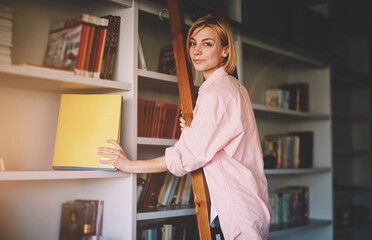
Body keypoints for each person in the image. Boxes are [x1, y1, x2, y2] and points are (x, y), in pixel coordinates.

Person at [98, 15, 271, 240]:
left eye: (207, 44)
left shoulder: (217, 93)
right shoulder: (233, 87)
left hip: (236, 210)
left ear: (225, 51)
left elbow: (186, 157)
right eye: (192, 43)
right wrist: (194, 129)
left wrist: (129, 165)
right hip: (249, 205)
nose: (196, 51)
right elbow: (222, 139)